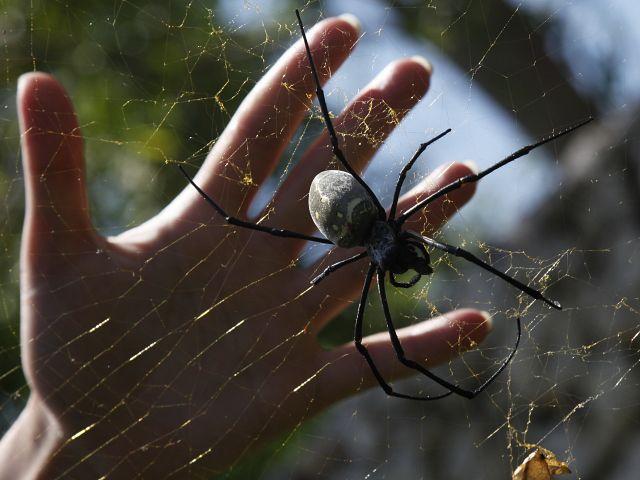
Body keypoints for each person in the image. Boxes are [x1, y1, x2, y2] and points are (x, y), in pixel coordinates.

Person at [0, 13, 489, 478]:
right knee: (374, 317)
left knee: (373, 201)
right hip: (345, 213)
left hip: (349, 220)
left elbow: (402, 180)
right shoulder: (381, 241)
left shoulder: (378, 245)